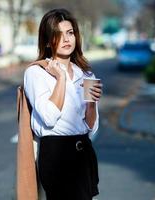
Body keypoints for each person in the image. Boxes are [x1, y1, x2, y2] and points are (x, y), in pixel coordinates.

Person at [23, 8, 102, 200]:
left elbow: (91, 129)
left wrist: (91, 104)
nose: (67, 39)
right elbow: (49, 117)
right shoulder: (36, 73)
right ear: (49, 41)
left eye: (70, 33)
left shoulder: (87, 75)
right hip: (56, 155)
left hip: (84, 154)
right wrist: (61, 79)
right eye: (59, 34)